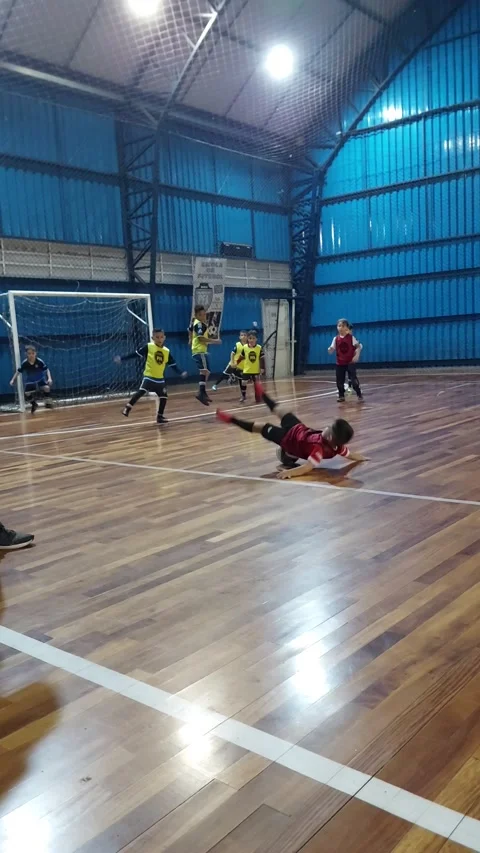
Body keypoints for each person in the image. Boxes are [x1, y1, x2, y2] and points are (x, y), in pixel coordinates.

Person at [216, 382, 367, 479]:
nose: (326, 428)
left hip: (287, 440)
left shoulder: (319, 450)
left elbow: (307, 467)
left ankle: (231, 419)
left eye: (330, 429)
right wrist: (363, 458)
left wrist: (290, 473)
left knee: (261, 427)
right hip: (298, 429)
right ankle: (262, 395)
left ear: (333, 438)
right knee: (281, 410)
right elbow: (351, 455)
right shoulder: (338, 446)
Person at [114, 329, 187, 424]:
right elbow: (135, 354)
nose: (159, 339)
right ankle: (127, 408)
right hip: (149, 377)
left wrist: (180, 372)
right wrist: (122, 359)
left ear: (164, 338)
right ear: (153, 338)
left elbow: (173, 365)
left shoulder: (166, 351)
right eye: (157, 337)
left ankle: (160, 417)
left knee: (164, 397)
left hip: (160, 380)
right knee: (141, 392)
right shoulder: (149, 347)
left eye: (161, 337)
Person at [188, 305, 221, 406]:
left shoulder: (195, 322)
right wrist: (215, 341)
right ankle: (201, 392)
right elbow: (200, 338)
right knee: (205, 371)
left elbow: (189, 329)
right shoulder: (200, 325)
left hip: (199, 350)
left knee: (206, 371)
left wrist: (189, 339)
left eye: (204, 314)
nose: (203, 316)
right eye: (200, 315)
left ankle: (203, 392)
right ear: (196, 315)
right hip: (199, 350)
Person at [10, 345, 54, 414]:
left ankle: (47, 402)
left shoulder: (39, 361)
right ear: (26, 354)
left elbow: (47, 370)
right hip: (31, 381)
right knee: (27, 393)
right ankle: (34, 404)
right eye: (29, 353)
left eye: (33, 353)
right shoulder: (25, 363)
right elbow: (18, 371)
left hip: (40, 379)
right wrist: (13, 380)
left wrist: (49, 378)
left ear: (35, 353)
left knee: (47, 388)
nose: (31, 355)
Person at [328, 319, 364, 403]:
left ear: (347, 328)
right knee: (339, 380)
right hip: (340, 363)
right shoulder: (335, 339)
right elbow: (332, 348)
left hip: (350, 362)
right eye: (339, 326)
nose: (341, 328)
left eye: (343, 326)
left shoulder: (351, 338)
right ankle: (341, 396)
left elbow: (358, 346)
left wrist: (357, 355)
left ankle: (359, 393)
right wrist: (330, 349)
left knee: (353, 380)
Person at [236, 330, 265, 403]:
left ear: (256, 339)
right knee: (243, 382)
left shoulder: (259, 348)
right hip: (247, 369)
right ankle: (243, 395)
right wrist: (236, 363)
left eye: (253, 338)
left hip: (255, 370)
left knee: (256, 384)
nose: (251, 340)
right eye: (250, 338)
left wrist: (262, 368)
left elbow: (262, 359)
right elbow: (241, 357)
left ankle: (258, 397)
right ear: (247, 339)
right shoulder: (245, 347)